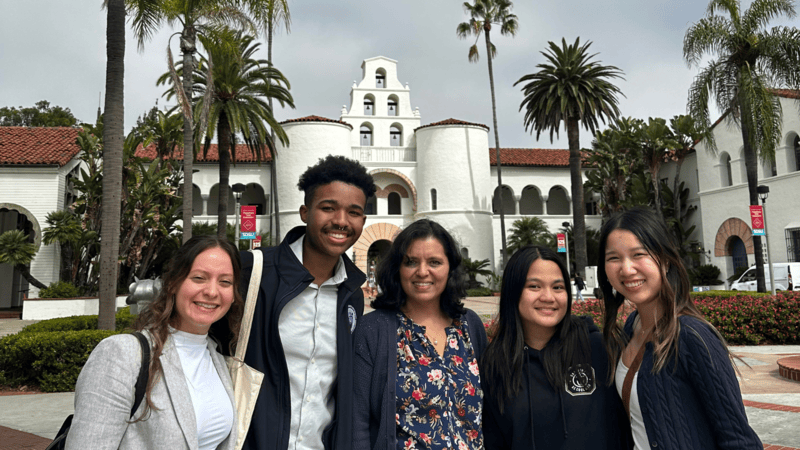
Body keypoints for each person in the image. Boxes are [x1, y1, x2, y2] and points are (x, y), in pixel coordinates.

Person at [212, 155, 376, 450]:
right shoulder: (251, 273)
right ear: (304, 212)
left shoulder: (351, 293)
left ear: (363, 220)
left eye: (354, 212)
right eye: (328, 208)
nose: (341, 221)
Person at [598, 207, 762, 450]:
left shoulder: (691, 336)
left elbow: (739, 440)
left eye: (639, 254)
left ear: (664, 260)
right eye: (613, 258)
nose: (626, 268)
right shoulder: (632, 327)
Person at [67, 235, 243, 449]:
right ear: (173, 284)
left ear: (233, 294)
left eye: (225, 282)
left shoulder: (218, 359)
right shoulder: (122, 354)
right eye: (199, 278)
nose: (212, 291)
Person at [353, 218, 488, 450]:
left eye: (434, 262)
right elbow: (357, 422)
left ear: (450, 268)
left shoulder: (469, 325)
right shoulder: (373, 330)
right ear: (398, 268)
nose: (422, 272)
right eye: (411, 262)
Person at [481, 246, 629, 450]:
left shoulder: (598, 347)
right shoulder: (495, 363)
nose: (548, 297)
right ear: (513, 292)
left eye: (558, 287)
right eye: (534, 286)